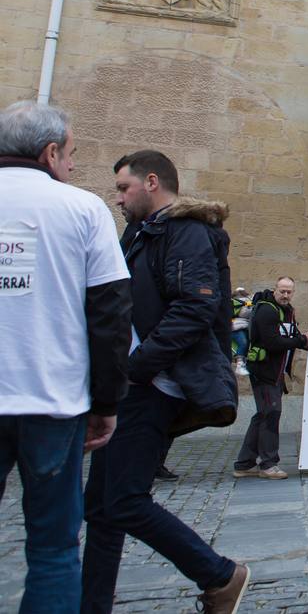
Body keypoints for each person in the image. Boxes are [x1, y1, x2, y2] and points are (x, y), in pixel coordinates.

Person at [85, 149, 247, 613]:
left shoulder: (188, 232)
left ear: (151, 181)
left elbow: (195, 308)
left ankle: (219, 574)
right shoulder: (140, 233)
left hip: (152, 386)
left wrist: (136, 367)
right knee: (100, 507)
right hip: (132, 383)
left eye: (123, 188)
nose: (117, 198)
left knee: (123, 502)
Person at [0, 101, 131, 612]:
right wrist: (106, 403)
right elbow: (110, 316)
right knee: (53, 548)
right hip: (54, 401)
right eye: (72, 154)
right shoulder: (82, 209)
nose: (73, 166)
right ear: (50, 152)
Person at [232, 277, 308, 480]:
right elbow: (272, 341)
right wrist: (302, 340)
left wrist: (305, 340)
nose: (285, 295)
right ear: (275, 289)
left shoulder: (287, 311)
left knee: (263, 414)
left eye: (289, 292)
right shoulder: (267, 310)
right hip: (264, 372)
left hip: (273, 372)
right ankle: (268, 464)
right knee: (271, 414)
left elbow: (289, 337)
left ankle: (244, 464)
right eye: (282, 291)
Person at [230, 286, 252, 376]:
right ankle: (239, 364)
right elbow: (244, 314)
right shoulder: (246, 302)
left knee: (244, 344)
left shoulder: (231, 302)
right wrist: (249, 306)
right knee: (243, 343)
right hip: (238, 327)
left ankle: (242, 363)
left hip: (236, 326)